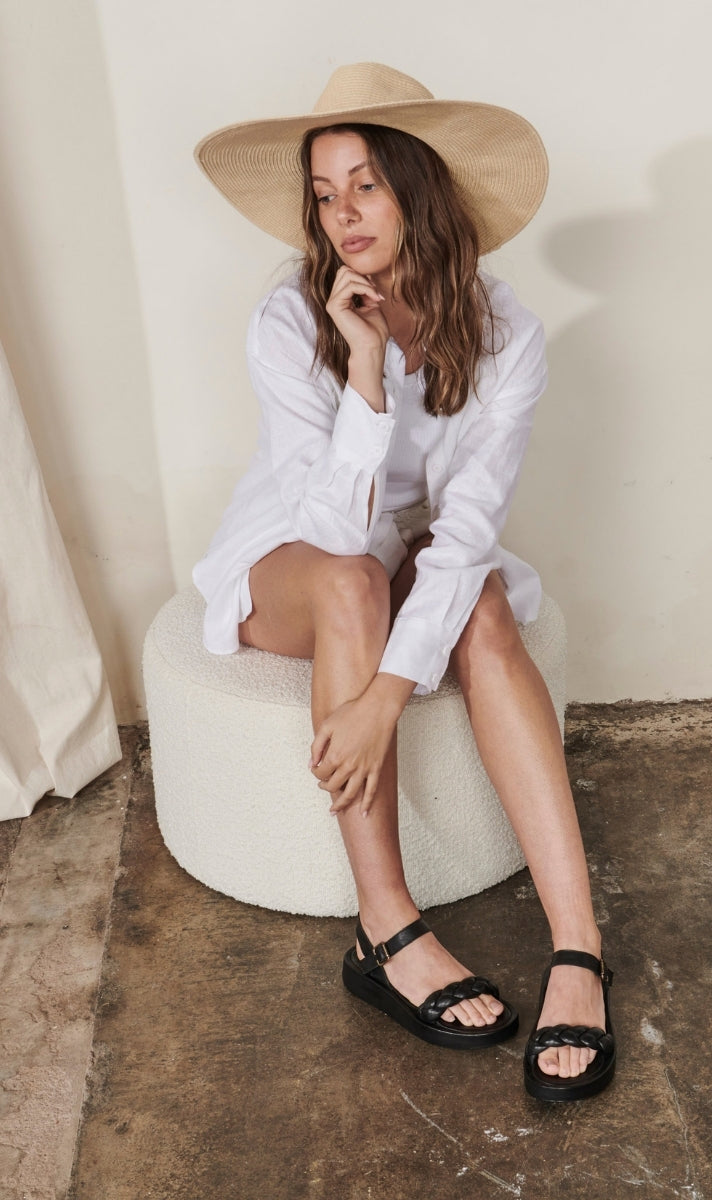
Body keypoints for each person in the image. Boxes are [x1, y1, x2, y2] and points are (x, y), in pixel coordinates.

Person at [192, 63, 615, 1102]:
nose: (342, 214)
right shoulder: (290, 320)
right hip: (296, 558)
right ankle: (384, 930)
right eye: (324, 194)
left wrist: (388, 694)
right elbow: (335, 531)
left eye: (366, 185)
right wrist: (365, 368)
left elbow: (466, 531)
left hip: (413, 551)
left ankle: (579, 948)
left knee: (478, 601)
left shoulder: (506, 332)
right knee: (352, 582)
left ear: (418, 190)